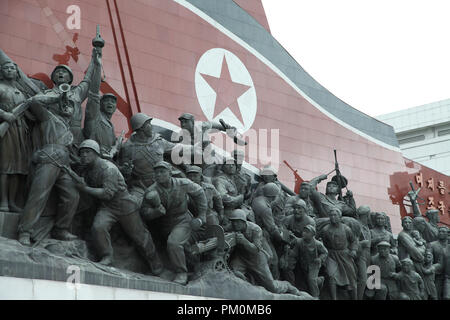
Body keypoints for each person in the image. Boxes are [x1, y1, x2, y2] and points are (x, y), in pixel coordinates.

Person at [16, 57, 102, 245]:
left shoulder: (67, 120)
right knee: (39, 194)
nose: (61, 74)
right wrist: (57, 95)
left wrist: (96, 57)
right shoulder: (47, 117)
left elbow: (87, 82)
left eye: (66, 73)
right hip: (49, 156)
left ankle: (61, 229)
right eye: (58, 72)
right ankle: (25, 231)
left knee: (72, 196)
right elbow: (34, 102)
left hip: (65, 160)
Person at [74, 139, 163, 275]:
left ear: (96, 154)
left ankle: (156, 264)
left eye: (87, 152)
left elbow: (107, 193)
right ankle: (107, 256)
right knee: (98, 227)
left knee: (140, 237)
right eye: (82, 153)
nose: (84, 155)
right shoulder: (87, 169)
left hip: (125, 205)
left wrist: (85, 188)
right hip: (108, 207)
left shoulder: (109, 169)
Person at [140, 161, 207, 285]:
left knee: (174, 243)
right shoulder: (151, 191)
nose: (158, 175)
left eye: (162, 172)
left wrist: (202, 215)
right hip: (163, 225)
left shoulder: (183, 184)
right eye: (156, 172)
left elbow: (200, 193)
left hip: (182, 220)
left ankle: (181, 272)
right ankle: (192, 266)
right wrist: (155, 212)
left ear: (170, 173)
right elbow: (144, 212)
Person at [227, 209, 302, 296]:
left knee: (272, 287)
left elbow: (256, 249)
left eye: (237, 222)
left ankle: (287, 286)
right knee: (232, 273)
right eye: (233, 222)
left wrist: (244, 241)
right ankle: (248, 288)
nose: (234, 224)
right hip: (241, 257)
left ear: (243, 221)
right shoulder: (232, 227)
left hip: (256, 259)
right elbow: (223, 231)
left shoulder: (255, 229)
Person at [119, 113, 189, 205]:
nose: (151, 126)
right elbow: (124, 173)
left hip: (162, 181)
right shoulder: (128, 148)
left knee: (185, 198)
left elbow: (177, 149)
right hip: (141, 186)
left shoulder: (158, 141)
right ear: (141, 128)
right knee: (133, 205)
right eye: (148, 124)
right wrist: (125, 171)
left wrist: (196, 149)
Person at [50, 47, 101, 146]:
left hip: (76, 135)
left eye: (64, 72)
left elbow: (88, 78)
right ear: (53, 77)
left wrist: (94, 59)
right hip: (56, 133)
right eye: (57, 71)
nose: (60, 73)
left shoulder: (76, 92)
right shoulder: (46, 93)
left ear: (70, 78)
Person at [0, 60, 33, 212]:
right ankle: (3, 201)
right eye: (6, 68)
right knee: (5, 167)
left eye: (12, 68)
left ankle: (12, 202)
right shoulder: (1, 87)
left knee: (17, 169)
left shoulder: (22, 93)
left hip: (20, 131)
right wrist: (4, 115)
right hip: (7, 131)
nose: (9, 70)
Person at [318, 208, 358, 300]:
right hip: (331, 255)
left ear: (340, 217)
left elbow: (353, 241)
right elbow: (322, 242)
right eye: (331, 215)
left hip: (344, 255)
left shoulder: (346, 229)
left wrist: (353, 250)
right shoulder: (325, 230)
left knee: (351, 277)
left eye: (335, 215)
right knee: (332, 277)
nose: (333, 217)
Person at [284, 225, 328, 298]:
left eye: (307, 232)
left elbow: (325, 252)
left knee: (311, 280)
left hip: (314, 264)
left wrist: (320, 258)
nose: (304, 233)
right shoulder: (299, 242)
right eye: (304, 231)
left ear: (313, 234)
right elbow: (295, 253)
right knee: (308, 280)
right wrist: (289, 252)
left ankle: (316, 296)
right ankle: (320, 280)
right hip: (304, 264)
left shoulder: (317, 244)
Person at [83, 91, 121, 160]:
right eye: (106, 101)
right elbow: (93, 98)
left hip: (106, 160)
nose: (110, 103)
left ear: (115, 107)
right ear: (100, 104)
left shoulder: (110, 125)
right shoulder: (95, 116)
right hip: (94, 158)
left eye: (113, 101)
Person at [355, 205, 372, 300]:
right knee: (362, 279)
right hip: (360, 253)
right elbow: (353, 241)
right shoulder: (357, 225)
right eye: (368, 215)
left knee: (369, 278)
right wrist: (361, 243)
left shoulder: (366, 226)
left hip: (368, 253)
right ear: (365, 215)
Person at [429, 226, 449, 299]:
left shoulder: (449, 245)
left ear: (447, 234)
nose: (441, 233)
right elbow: (429, 258)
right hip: (438, 275)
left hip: (448, 274)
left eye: (443, 232)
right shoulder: (432, 245)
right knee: (436, 295)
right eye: (439, 231)